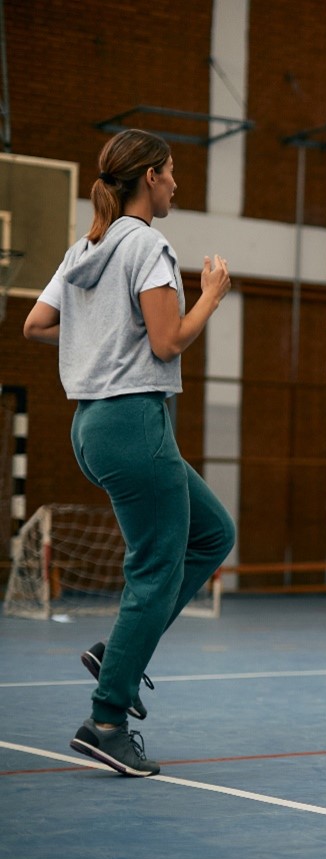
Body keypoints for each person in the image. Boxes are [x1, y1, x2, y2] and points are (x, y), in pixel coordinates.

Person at [22, 129, 235, 776]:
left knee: (212, 534)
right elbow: (168, 342)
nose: (175, 184)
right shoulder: (147, 244)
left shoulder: (85, 247)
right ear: (147, 178)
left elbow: (35, 325)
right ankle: (107, 717)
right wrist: (212, 296)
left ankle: (119, 650)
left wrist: (94, 335)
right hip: (135, 423)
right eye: (169, 174)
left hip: (91, 426)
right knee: (155, 569)